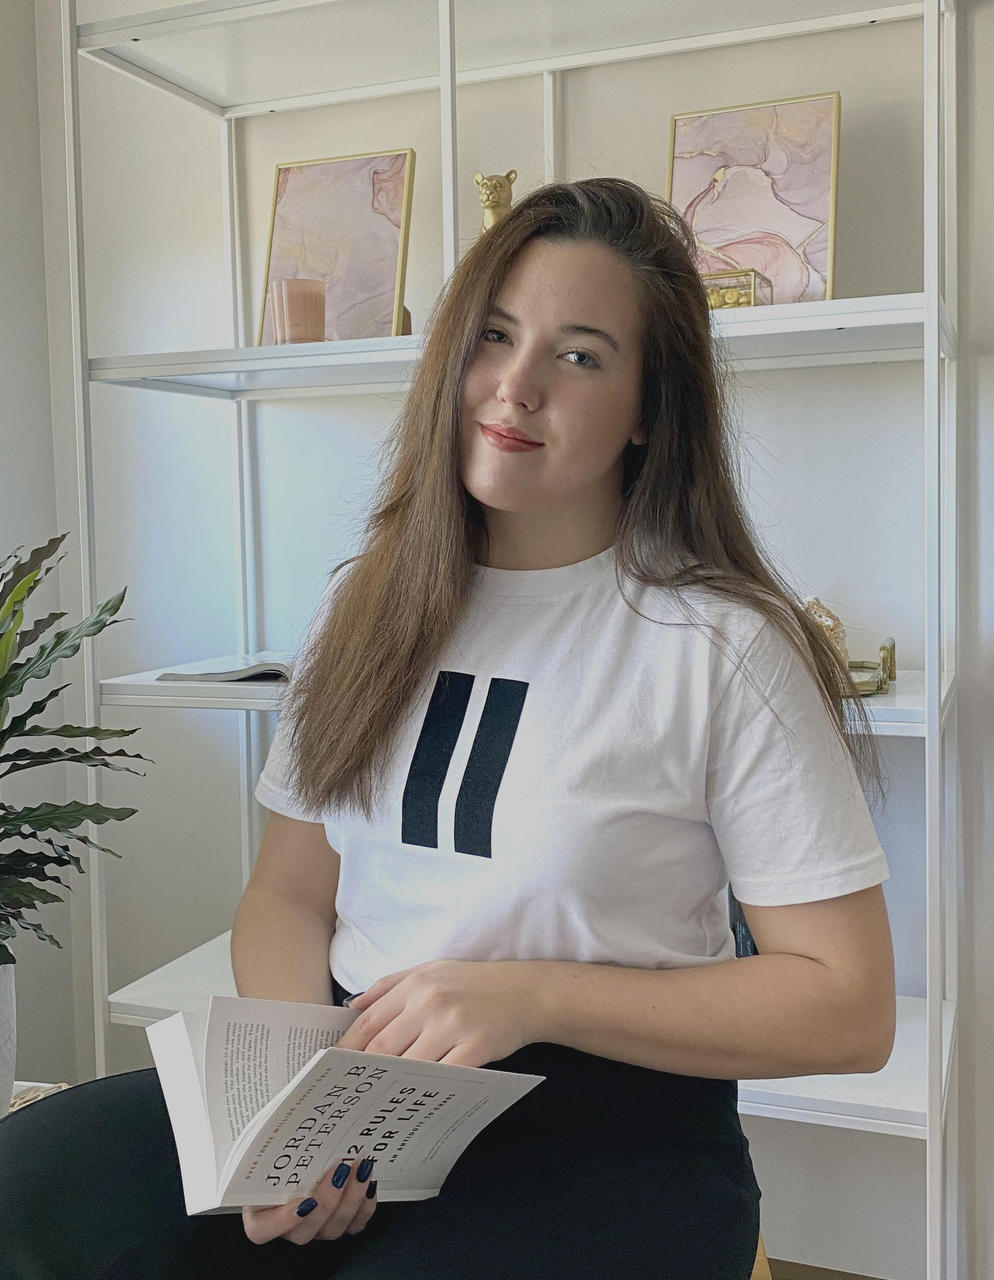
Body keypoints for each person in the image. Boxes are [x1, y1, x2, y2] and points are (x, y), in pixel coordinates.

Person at [0, 177, 896, 1280]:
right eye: (494, 336)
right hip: (360, 1089)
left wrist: (528, 994)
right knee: (26, 1192)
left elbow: (847, 1006)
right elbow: (289, 894)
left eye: (580, 356)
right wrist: (295, 1112)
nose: (515, 386)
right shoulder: (366, 600)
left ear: (648, 411)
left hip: (607, 1136)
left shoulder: (721, 646)